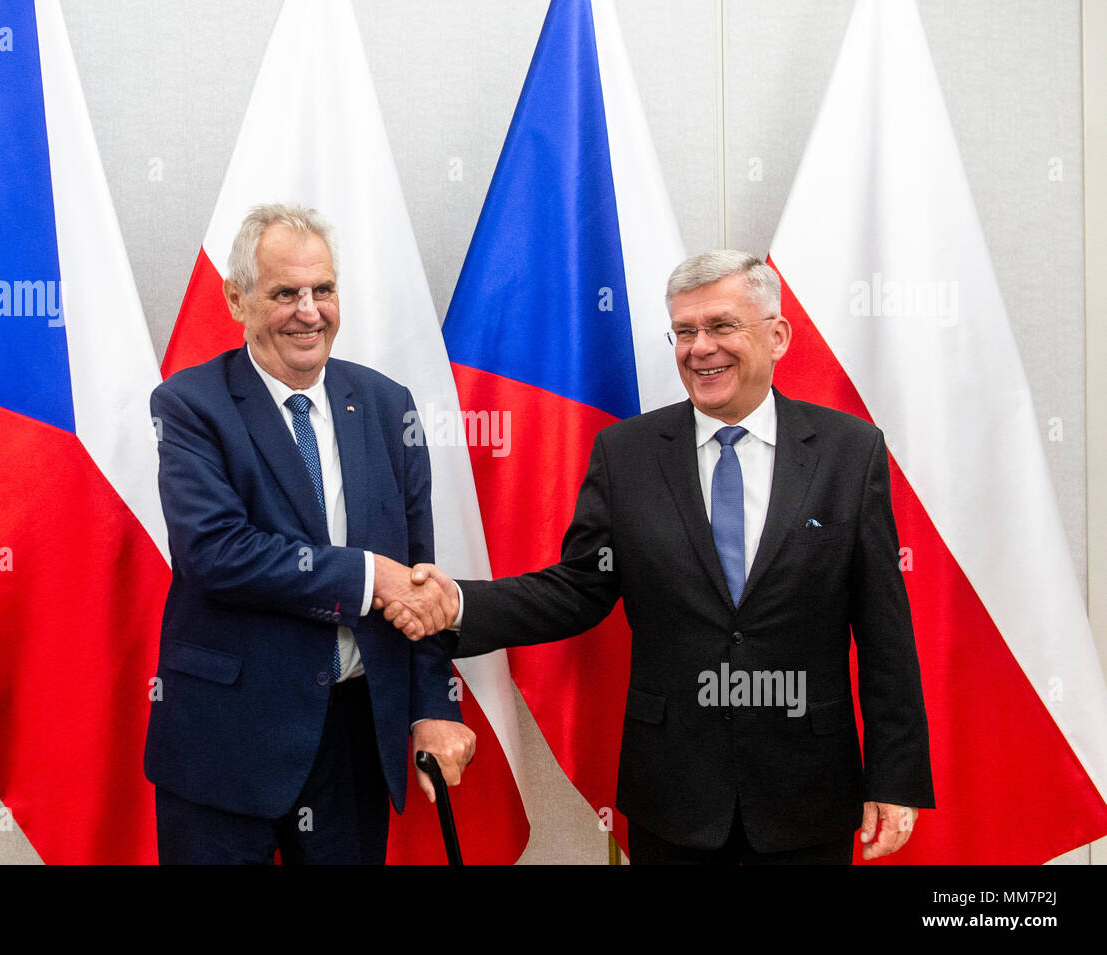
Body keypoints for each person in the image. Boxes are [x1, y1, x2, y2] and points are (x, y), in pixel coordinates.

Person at [387, 250, 934, 864]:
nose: (700, 348)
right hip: (673, 795)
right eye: (684, 331)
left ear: (777, 336)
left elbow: (885, 627)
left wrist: (894, 777)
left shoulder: (849, 452)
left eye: (722, 326)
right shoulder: (628, 454)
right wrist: (455, 602)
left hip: (807, 791)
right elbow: (578, 589)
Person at [145, 203, 473, 864]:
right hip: (225, 743)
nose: (309, 309)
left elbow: (417, 573)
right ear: (237, 298)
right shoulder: (189, 404)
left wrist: (435, 704)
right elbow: (215, 552)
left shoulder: (387, 404)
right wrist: (363, 576)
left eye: (322, 289)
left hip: (353, 739)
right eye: (285, 292)